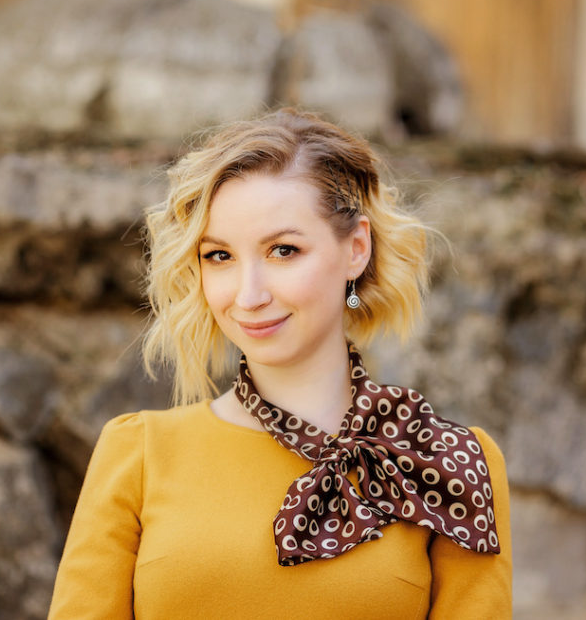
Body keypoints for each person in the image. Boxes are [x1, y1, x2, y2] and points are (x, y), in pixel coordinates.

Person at [48, 108, 512, 619]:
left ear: (356, 250)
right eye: (219, 256)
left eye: (283, 251)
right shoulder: (136, 454)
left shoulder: (448, 463)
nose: (248, 295)